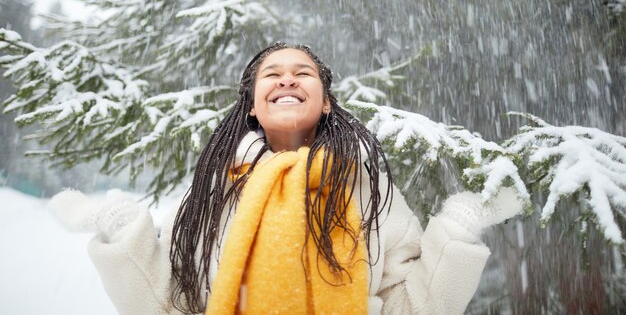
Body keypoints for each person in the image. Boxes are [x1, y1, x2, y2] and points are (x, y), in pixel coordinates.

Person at [49, 42, 524, 315]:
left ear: (326, 102)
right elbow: (173, 305)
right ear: (253, 105)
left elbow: (413, 307)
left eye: (304, 73)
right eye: (271, 74)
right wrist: (125, 235)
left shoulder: (369, 189)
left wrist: (455, 234)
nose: (287, 79)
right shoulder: (213, 191)